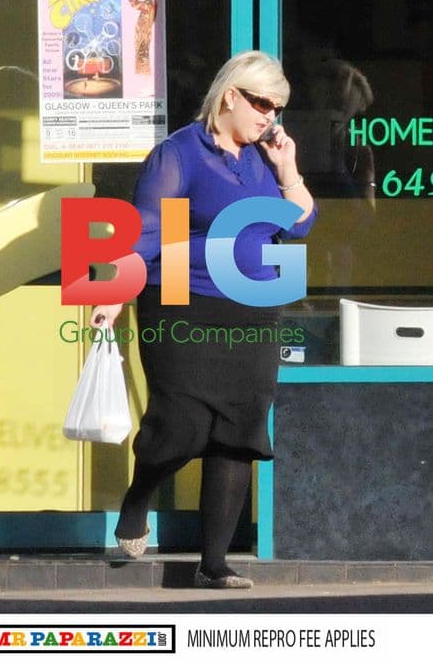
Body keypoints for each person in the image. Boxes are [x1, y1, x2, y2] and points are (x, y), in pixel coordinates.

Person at [90, 51, 317, 588]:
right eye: (262, 103)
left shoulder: (267, 157)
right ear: (231, 95)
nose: (270, 117)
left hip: (255, 307)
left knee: (238, 432)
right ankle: (139, 496)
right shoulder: (179, 154)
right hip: (181, 299)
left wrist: (289, 171)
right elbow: (147, 232)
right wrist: (114, 290)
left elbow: (301, 226)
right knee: (181, 424)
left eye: (278, 108)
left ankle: (214, 565)